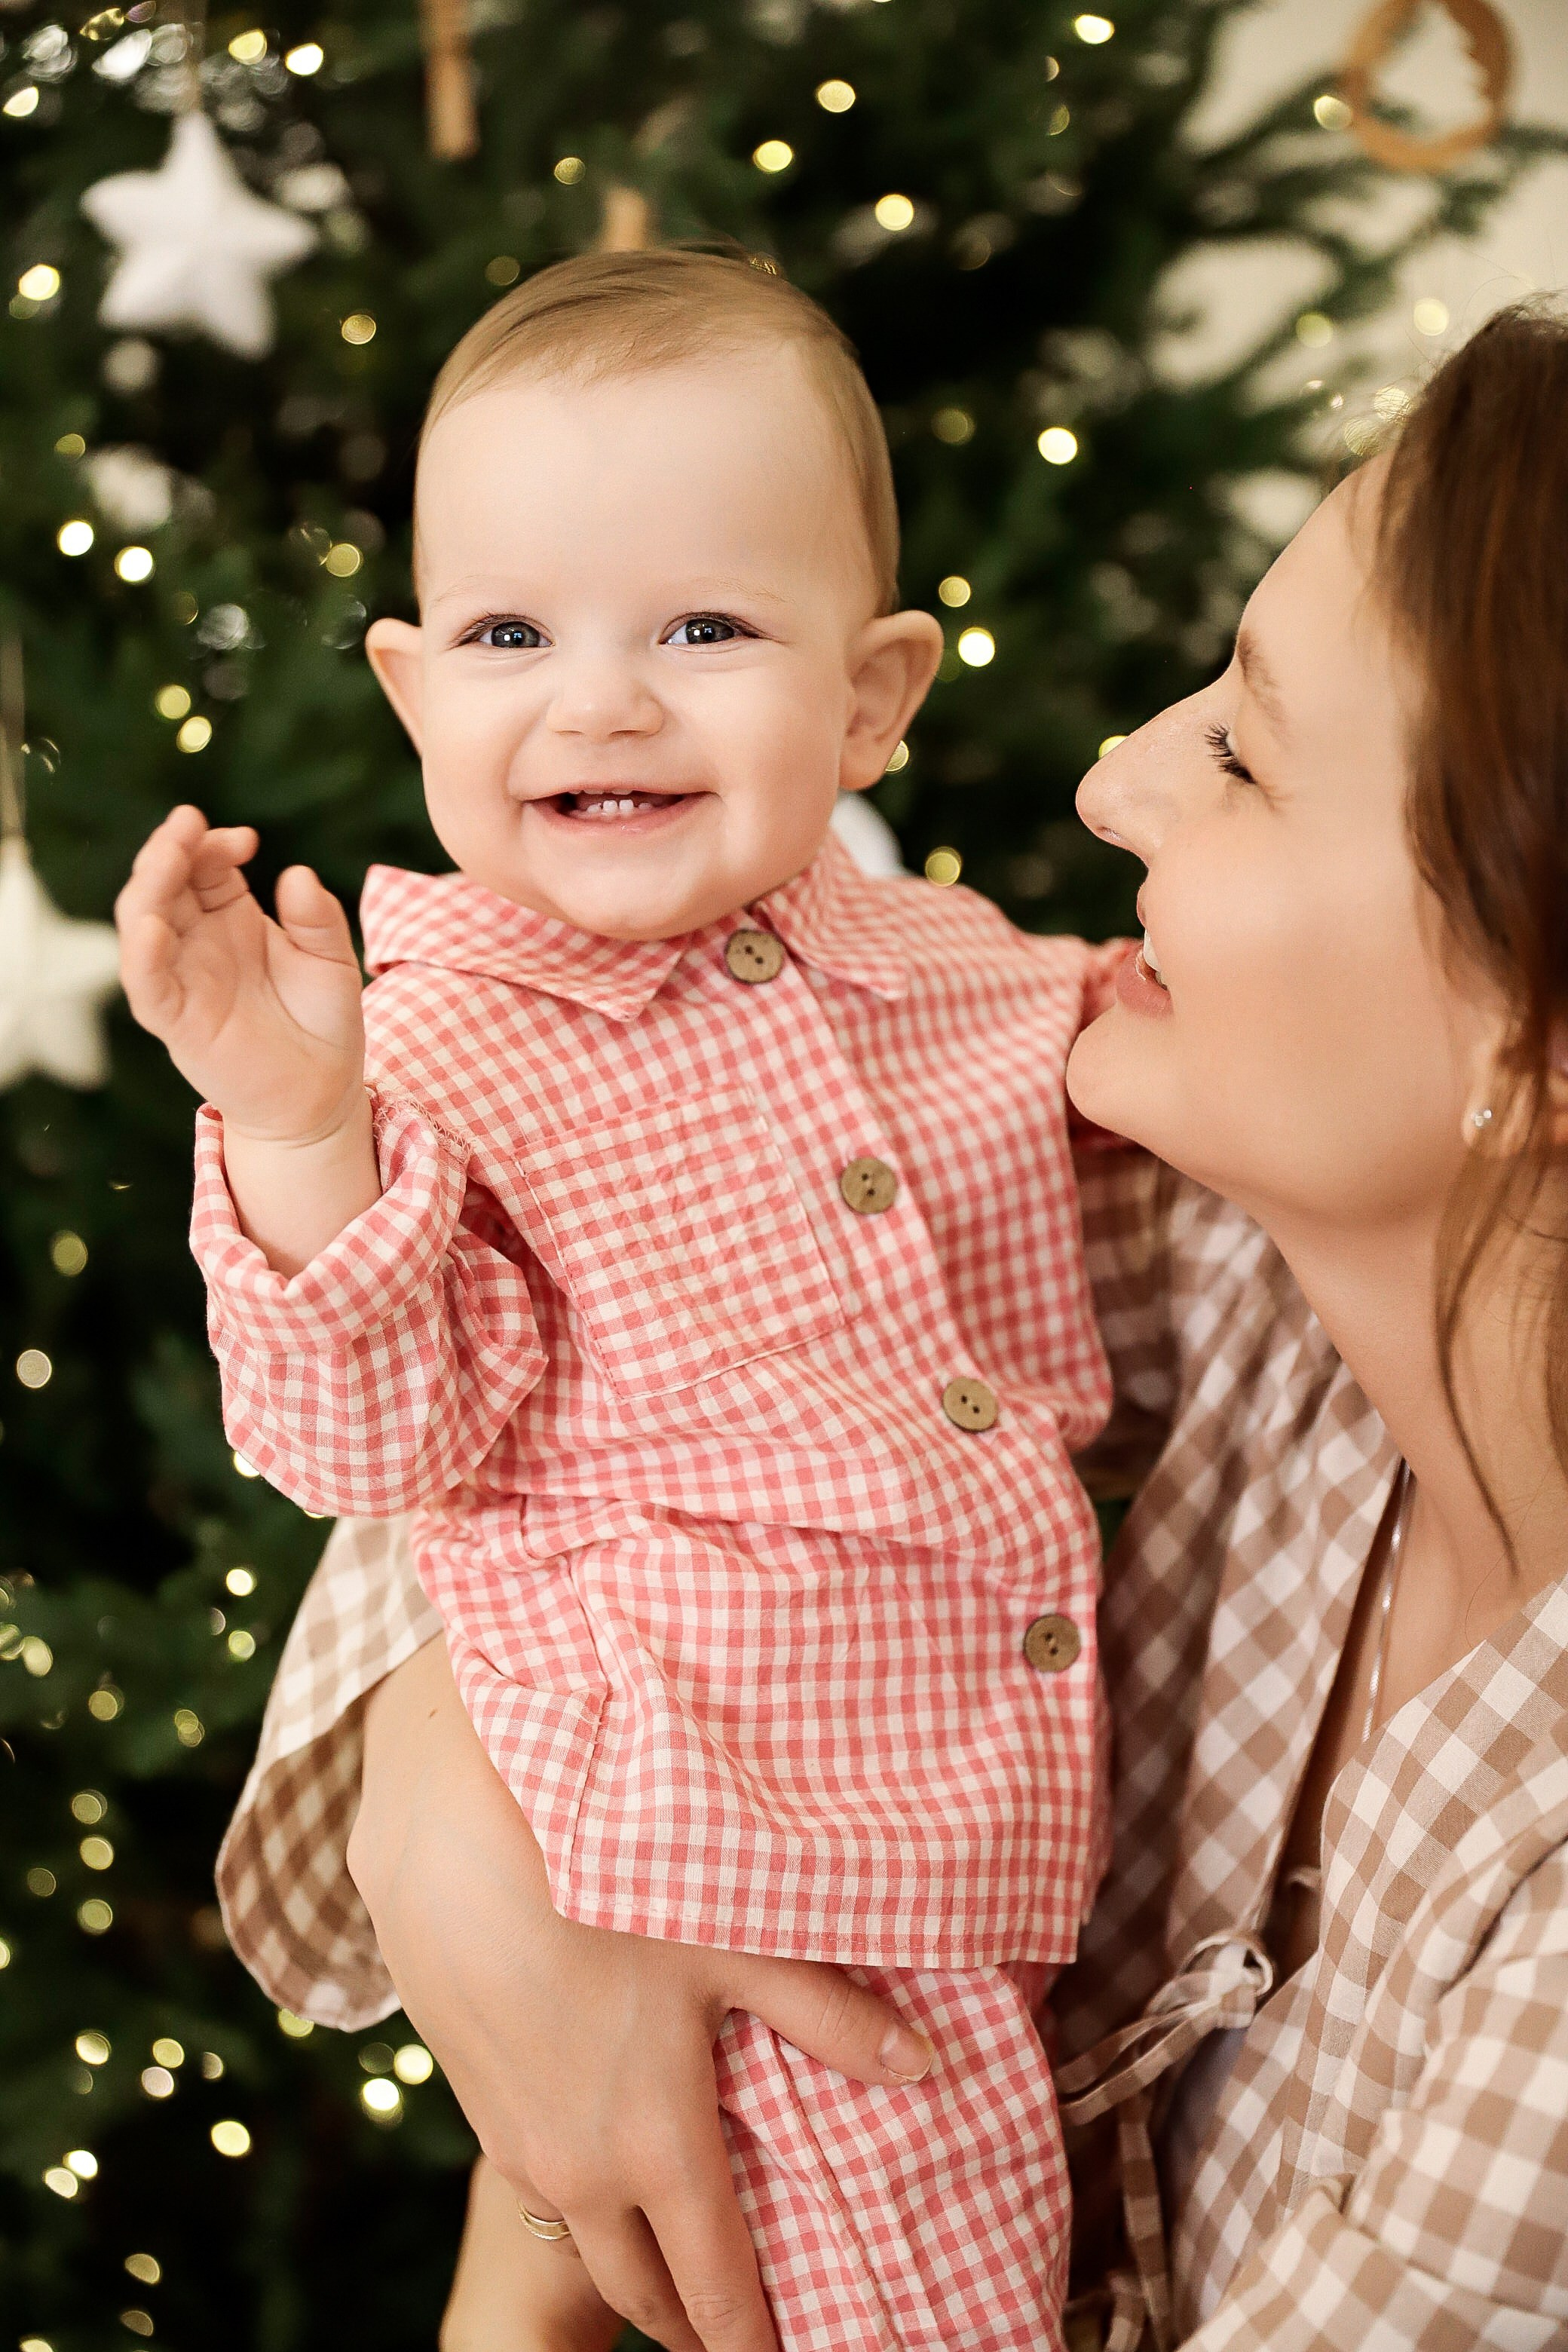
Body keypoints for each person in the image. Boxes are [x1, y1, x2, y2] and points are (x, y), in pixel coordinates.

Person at [214, 299, 1568, 2352]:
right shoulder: (1250, 1287)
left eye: (1245, 755)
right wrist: (456, 1784)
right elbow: (580, 1368)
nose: (1113, 781)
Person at [115, 248, 1141, 2352]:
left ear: (872, 699)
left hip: (965, 1812)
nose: (599, 701)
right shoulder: (427, 1041)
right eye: (511, 635)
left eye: (703, 627)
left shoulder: (951, 965)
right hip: (725, 1846)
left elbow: (1137, 1056)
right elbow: (371, 1445)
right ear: (416, 694)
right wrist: (300, 1129)